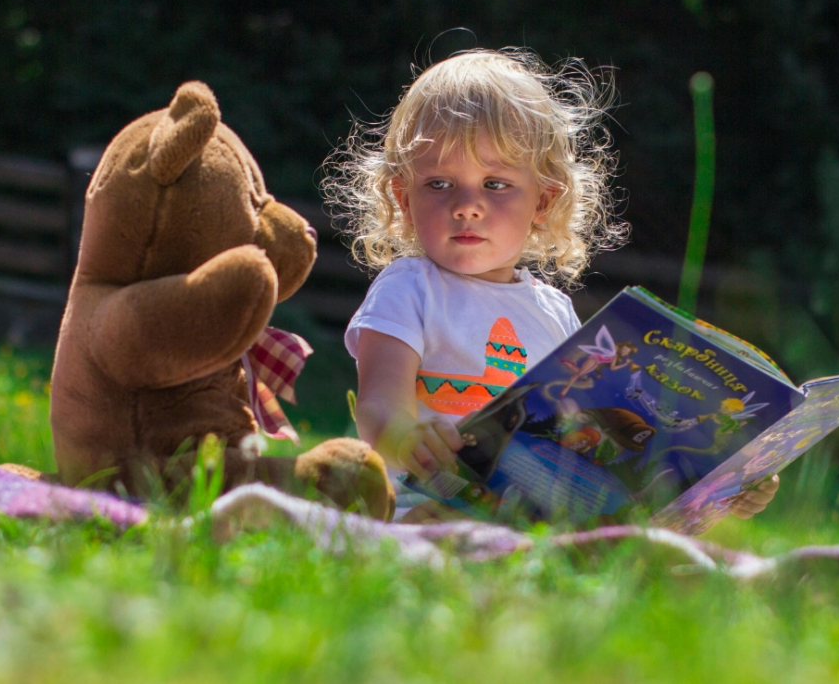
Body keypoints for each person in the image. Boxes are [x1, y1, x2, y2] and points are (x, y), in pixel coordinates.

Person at [327, 48, 778, 521]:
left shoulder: (554, 311)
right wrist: (405, 438)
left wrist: (726, 486)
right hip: (427, 501)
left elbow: (578, 428)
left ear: (544, 201)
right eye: (439, 183)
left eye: (496, 184)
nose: (466, 206)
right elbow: (378, 405)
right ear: (403, 197)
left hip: (536, 516)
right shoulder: (409, 287)